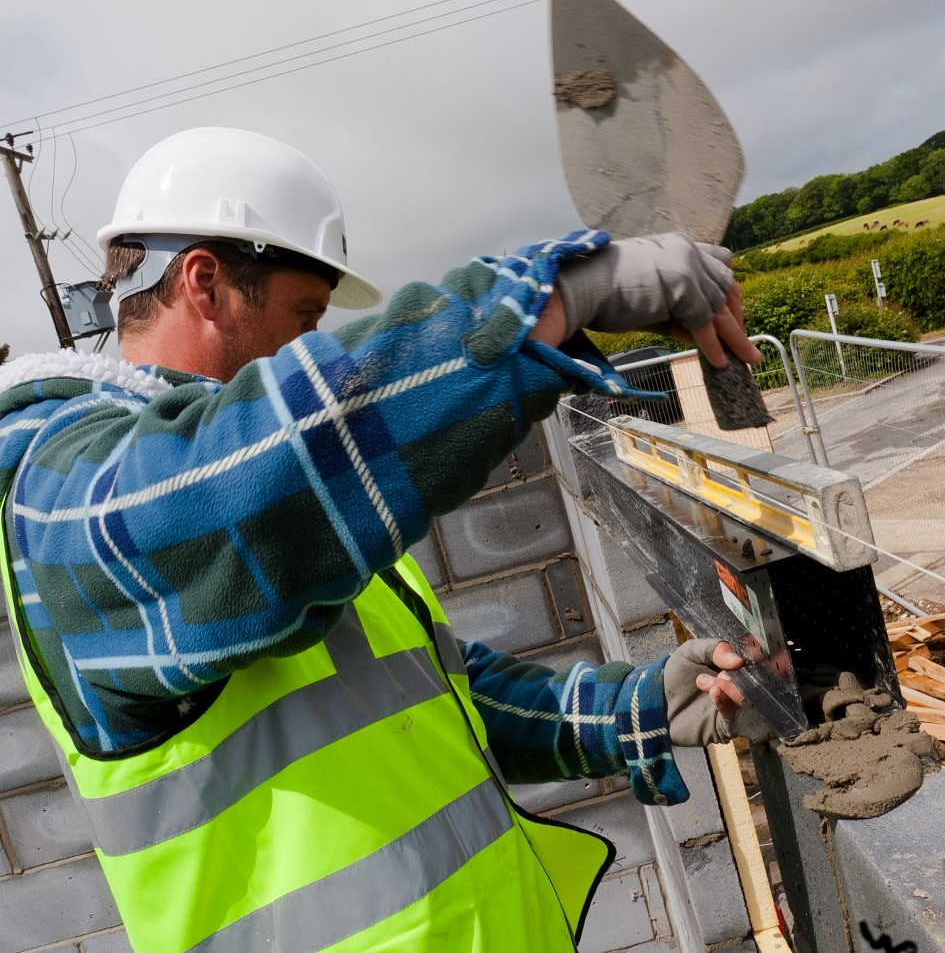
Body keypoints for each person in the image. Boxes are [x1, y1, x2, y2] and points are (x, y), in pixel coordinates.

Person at [0, 127, 767, 953]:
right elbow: (218, 500)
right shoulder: (59, 488)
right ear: (206, 283)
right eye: (304, 318)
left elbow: (420, 698)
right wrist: (535, 305)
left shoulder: (251, 486)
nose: (309, 348)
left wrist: (633, 710)